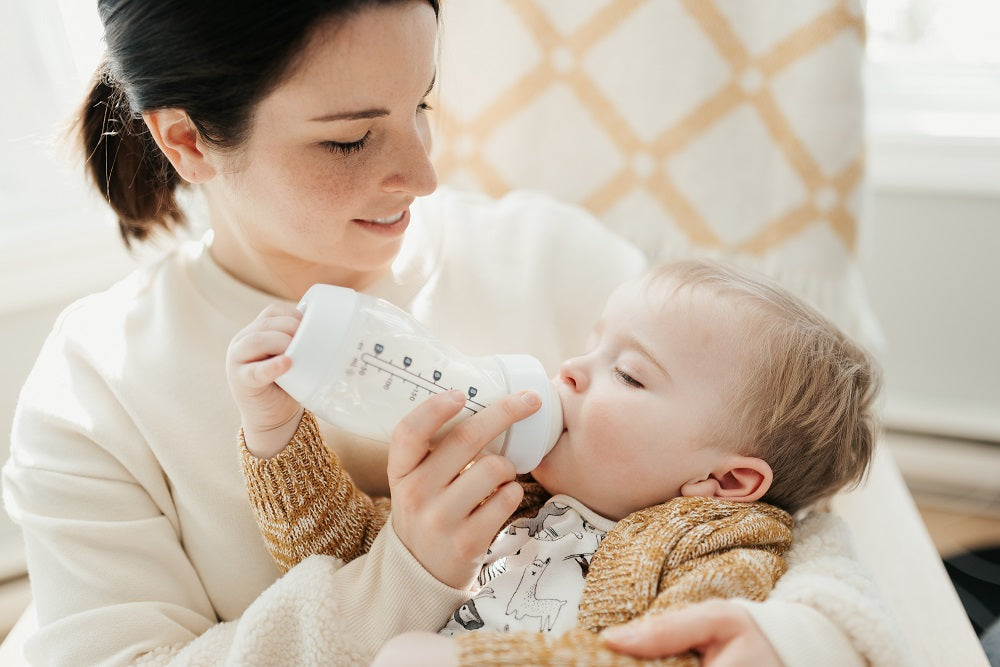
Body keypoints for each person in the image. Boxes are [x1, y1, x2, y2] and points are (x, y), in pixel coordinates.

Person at [0, 0, 905, 665]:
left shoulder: (555, 260)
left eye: (422, 107)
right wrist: (404, 574)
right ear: (187, 142)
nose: (426, 175)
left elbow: (791, 503)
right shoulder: (95, 388)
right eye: (351, 140)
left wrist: (794, 641)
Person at [230, 259, 894, 665]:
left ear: (722, 481)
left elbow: (681, 657)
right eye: (591, 347)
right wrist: (276, 432)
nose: (571, 371)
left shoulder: (719, 545)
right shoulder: (508, 492)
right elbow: (348, 567)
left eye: (629, 375)